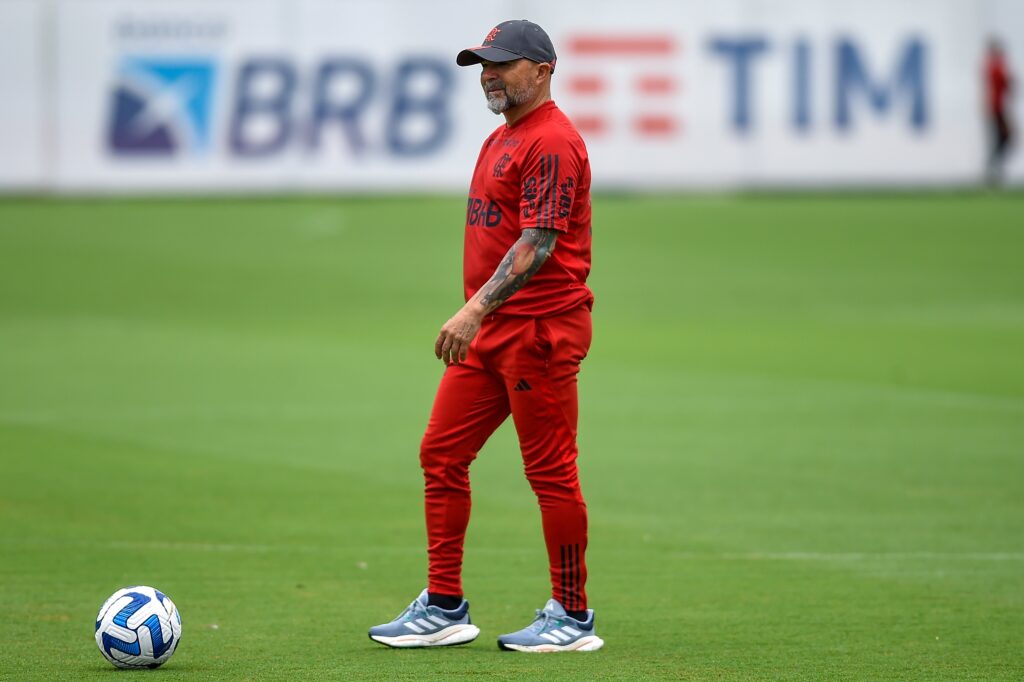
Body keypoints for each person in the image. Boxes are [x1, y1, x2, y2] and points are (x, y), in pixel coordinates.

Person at [368, 19, 603, 653]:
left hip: (539, 331)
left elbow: (540, 241)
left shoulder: (552, 141)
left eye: (501, 63)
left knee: (550, 472)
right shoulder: (506, 137)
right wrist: (480, 316)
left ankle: (573, 617)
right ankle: (443, 605)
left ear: (543, 70)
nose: (488, 74)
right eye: (481, 64)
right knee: (441, 454)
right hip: (494, 331)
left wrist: (472, 310)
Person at [984, 39, 1014, 186]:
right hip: (997, 109)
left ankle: (994, 170)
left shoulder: (992, 67)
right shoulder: (996, 68)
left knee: (1002, 140)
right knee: (1002, 139)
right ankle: (993, 171)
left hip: (997, 108)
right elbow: (1008, 84)